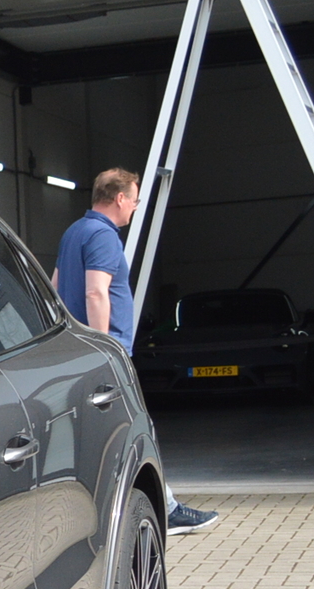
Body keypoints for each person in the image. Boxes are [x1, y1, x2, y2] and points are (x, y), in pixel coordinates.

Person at [55, 168, 219, 536]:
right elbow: (96, 292)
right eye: (135, 199)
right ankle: (168, 511)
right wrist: (103, 351)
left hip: (78, 352)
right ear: (119, 199)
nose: (135, 206)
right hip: (104, 356)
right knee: (135, 429)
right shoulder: (103, 236)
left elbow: (55, 287)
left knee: (102, 434)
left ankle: (95, 512)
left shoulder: (74, 232)